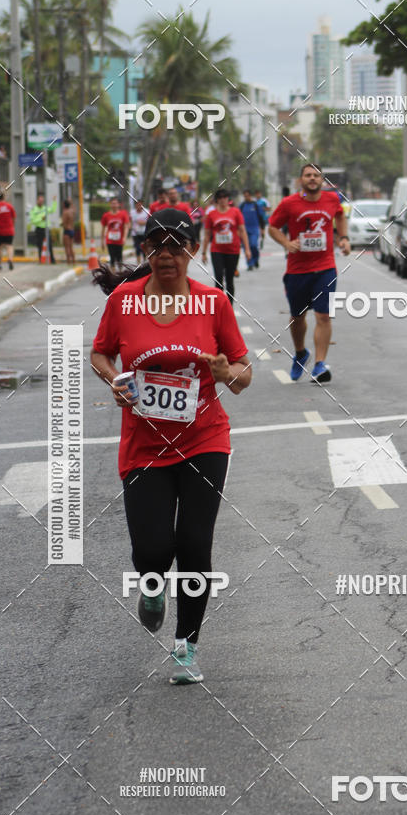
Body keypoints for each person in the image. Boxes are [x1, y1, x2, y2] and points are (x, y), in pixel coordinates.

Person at [90, 209, 252, 684]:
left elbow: (243, 374)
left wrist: (225, 374)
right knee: (152, 550)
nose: (167, 254)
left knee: (195, 543)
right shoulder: (123, 301)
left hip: (204, 438)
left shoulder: (213, 303)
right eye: (158, 245)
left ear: (192, 251)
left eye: (176, 246)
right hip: (144, 445)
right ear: (147, 251)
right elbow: (100, 352)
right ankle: (152, 586)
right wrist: (114, 380)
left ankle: (186, 646)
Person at [268, 163, 350, 384]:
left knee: (323, 315)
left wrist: (343, 238)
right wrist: (286, 242)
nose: (312, 178)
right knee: (297, 317)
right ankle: (301, 352)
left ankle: (319, 365)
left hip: (325, 268)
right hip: (297, 270)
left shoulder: (332, 200)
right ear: (301, 179)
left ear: (322, 180)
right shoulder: (289, 203)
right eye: (308, 175)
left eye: (316, 175)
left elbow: (340, 217)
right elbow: (272, 226)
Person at [202, 188, 251, 303]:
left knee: (229, 279)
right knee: (218, 278)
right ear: (217, 200)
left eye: (225, 197)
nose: (223, 200)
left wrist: (247, 249)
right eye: (220, 198)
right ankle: (218, 306)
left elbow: (242, 230)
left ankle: (229, 307)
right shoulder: (211, 215)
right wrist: (204, 253)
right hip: (217, 250)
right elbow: (207, 234)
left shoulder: (235, 212)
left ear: (228, 199)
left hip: (233, 250)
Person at [101, 197, 130, 268]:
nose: (114, 205)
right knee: (112, 258)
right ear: (110, 205)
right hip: (110, 240)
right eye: (112, 203)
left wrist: (124, 237)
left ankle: (120, 274)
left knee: (119, 258)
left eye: (115, 203)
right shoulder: (106, 215)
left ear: (118, 205)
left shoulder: (123, 214)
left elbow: (126, 226)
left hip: (119, 240)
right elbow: (103, 228)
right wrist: (102, 241)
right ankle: (113, 276)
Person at [239, 190, 265, 270]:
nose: (246, 197)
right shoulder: (242, 206)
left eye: (247, 196)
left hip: (254, 229)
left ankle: (255, 259)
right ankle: (250, 263)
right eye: (245, 196)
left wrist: (262, 229)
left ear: (250, 196)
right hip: (244, 230)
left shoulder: (256, 205)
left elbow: (261, 218)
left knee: (253, 245)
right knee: (246, 247)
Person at [29, 193, 57, 263]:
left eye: (42, 201)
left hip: (46, 229)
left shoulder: (45, 208)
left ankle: (52, 260)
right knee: (39, 245)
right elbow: (33, 221)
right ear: (37, 201)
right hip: (39, 229)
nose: (41, 202)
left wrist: (54, 201)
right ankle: (40, 260)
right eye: (40, 201)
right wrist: (41, 219)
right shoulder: (34, 210)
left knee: (50, 245)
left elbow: (52, 210)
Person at [61, 199, 76, 264]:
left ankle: (68, 262)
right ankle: (74, 261)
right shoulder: (71, 211)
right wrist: (71, 202)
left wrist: (61, 224)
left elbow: (64, 222)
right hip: (72, 230)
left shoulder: (65, 212)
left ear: (64, 205)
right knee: (71, 247)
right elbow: (74, 208)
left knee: (67, 247)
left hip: (67, 230)